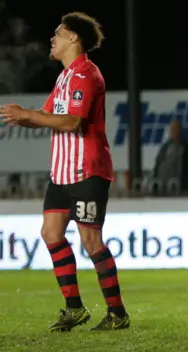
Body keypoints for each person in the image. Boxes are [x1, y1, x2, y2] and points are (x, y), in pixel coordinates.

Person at [0, 12, 130, 331]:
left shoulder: (86, 74)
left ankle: (117, 313)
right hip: (61, 174)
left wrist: (28, 114)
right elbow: (47, 114)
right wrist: (21, 116)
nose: (52, 38)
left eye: (58, 33)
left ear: (74, 38)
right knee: (51, 233)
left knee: (91, 242)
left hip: (87, 171)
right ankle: (74, 308)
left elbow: (73, 122)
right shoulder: (64, 77)